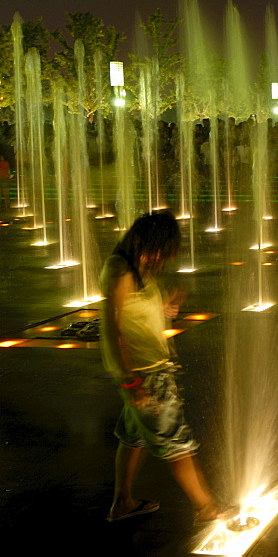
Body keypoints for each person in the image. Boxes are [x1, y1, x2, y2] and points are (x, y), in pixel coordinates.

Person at [101, 211, 233, 524]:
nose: (164, 257)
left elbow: (138, 315)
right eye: (163, 249)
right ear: (149, 241)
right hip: (144, 375)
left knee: (134, 438)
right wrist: (130, 382)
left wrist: (166, 309)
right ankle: (206, 507)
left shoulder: (139, 269)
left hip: (150, 369)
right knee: (177, 442)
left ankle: (123, 502)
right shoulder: (120, 270)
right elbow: (113, 329)